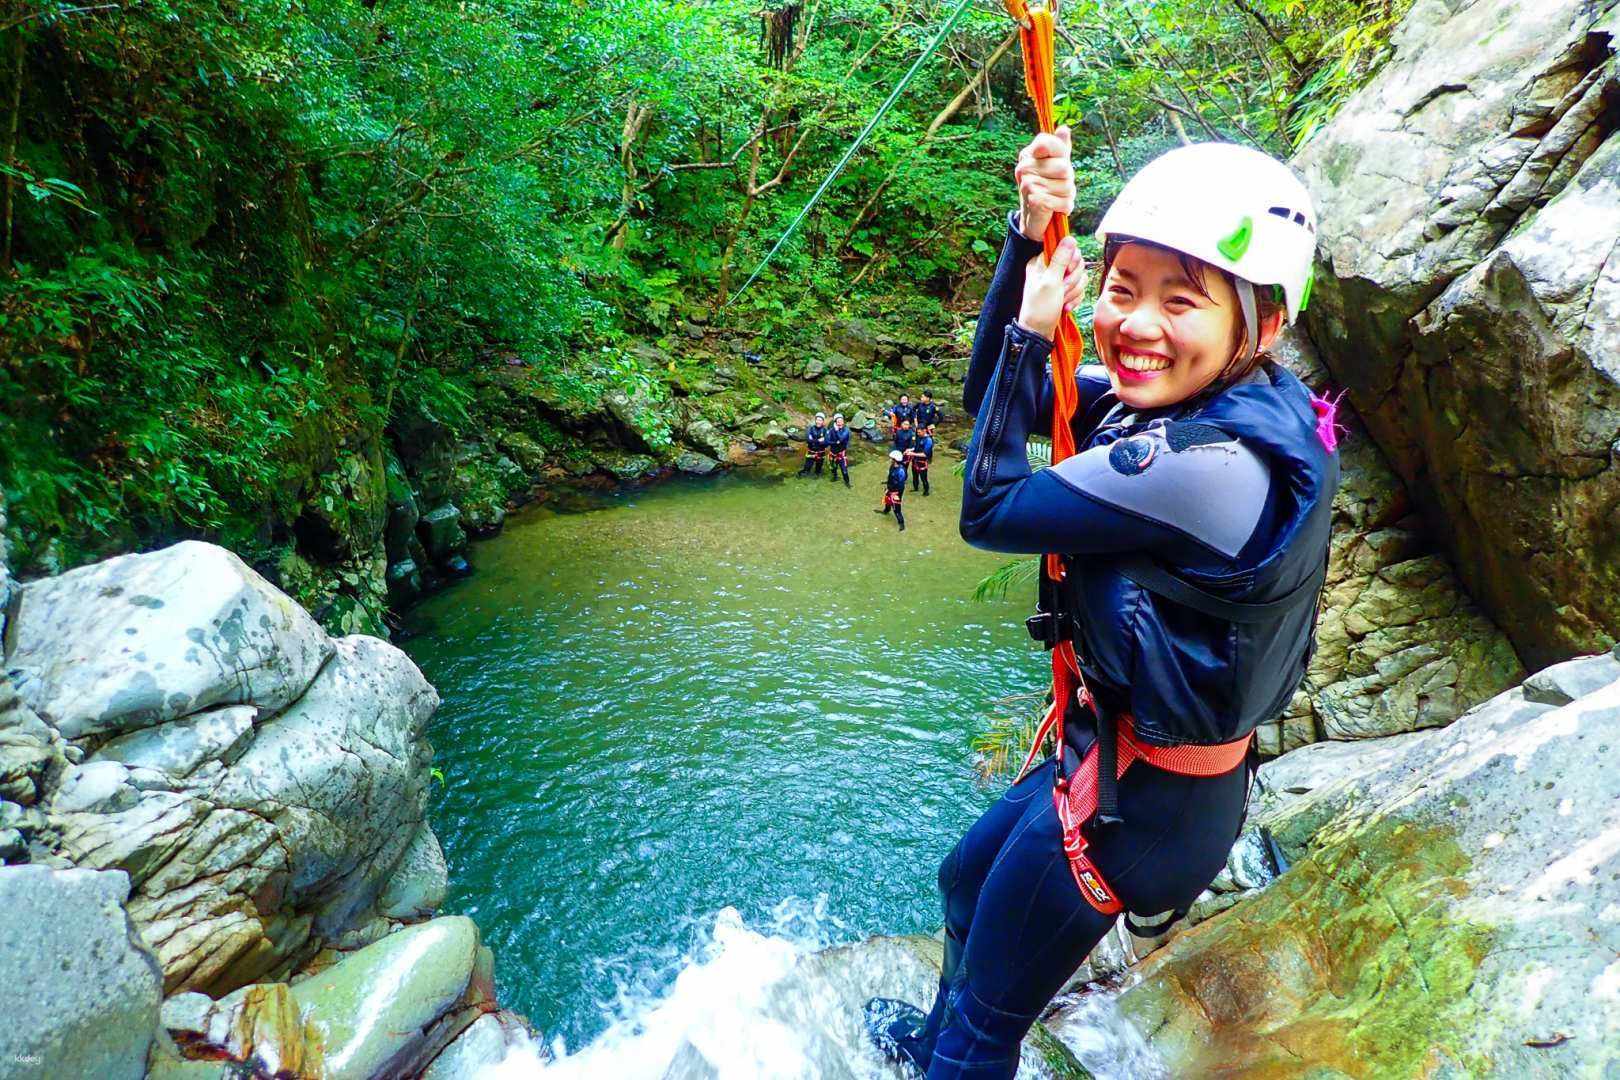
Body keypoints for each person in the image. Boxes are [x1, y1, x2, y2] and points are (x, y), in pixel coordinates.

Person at [865, 131, 1339, 1079]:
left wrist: (1039, 330)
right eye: (1123, 290)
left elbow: (991, 507)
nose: (1139, 324)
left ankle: (949, 1058)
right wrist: (1025, 235)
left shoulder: (1211, 469)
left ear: (1267, 326)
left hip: (1144, 802)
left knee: (984, 1035)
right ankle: (928, 1046)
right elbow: (991, 393)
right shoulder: (1178, 406)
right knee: (964, 882)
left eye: (1182, 299)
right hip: (1113, 757)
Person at [873, 448, 908, 531]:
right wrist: (887, 484)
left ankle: (901, 523)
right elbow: (890, 478)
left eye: (892, 459)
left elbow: (900, 485)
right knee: (887, 502)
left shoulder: (901, 471)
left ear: (895, 460)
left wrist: (895, 494)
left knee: (897, 509)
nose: (890, 460)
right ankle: (886, 511)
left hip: (896, 492)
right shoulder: (892, 467)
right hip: (890, 488)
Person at [907, 424, 935, 496]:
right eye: (917, 432)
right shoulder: (919, 437)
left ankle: (926, 491)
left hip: (922, 462)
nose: (918, 434)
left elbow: (925, 454)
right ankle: (915, 488)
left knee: (923, 478)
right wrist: (910, 450)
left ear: (924, 431)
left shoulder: (928, 440)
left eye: (919, 432)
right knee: (915, 476)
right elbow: (916, 447)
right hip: (915, 461)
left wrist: (912, 454)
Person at [799, 412, 829, 477]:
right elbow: (808, 440)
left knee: (818, 471)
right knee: (806, 470)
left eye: (820, 420)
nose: (818, 422)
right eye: (817, 420)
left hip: (821, 453)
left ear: (823, 421)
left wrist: (814, 440)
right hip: (811, 452)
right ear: (815, 420)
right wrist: (819, 440)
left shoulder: (825, 430)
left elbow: (827, 443)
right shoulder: (810, 429)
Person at [827, 412, 852, 486]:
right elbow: (826, 441)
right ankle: (835, 477)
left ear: (843, 422)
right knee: (833, 468)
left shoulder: (846, 430)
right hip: (833, 453)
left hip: (841, 453)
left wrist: (837, 431)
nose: (840, 423)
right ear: (835, 423)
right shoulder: (831, 430)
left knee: (844, 470)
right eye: (838, 422)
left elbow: (841, 439)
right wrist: (835, 442)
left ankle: (847, 483)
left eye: (841, 421)